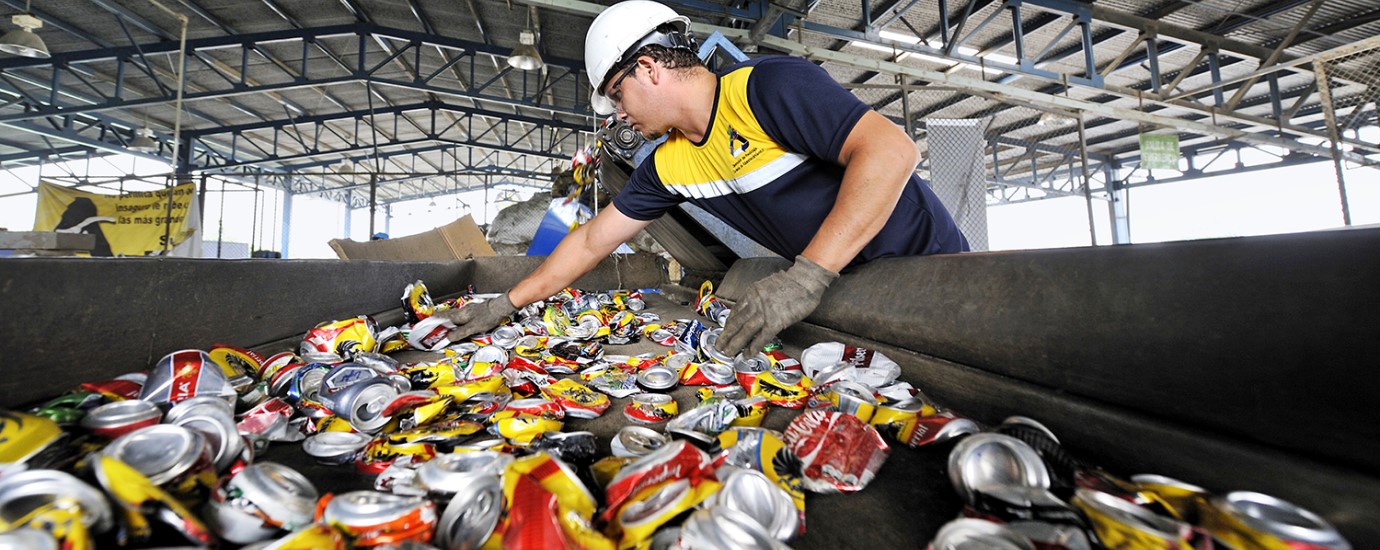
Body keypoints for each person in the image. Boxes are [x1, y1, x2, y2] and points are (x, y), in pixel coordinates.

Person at [439, 0, 968, 356]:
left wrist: (806, 277)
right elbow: (589, 243)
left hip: (936, 274)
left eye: (617, 95)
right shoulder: (667, 165)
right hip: (851, 290)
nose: (619, 115)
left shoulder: (765, 88)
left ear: (648, 67)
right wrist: (504, 304)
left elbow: (890, 151)